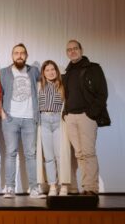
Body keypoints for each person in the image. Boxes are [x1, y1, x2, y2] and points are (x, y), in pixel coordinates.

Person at [63, 39, 109, 196]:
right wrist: (65, 114)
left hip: (86, 116)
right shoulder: (67, 72)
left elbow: (102, 93)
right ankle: (86, 186)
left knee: (88, 153)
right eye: (69, 49)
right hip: (71, 117)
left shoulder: (93, 68)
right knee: (79, 154)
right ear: (67, 53)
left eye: (75, 48)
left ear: (81, 50)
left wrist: (92, 113)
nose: (72, 51)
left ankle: (92, 188)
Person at [0, 44, 44, 198]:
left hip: (30, 119)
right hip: (10, 118)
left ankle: (34, 188)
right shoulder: (3, 73)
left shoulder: (34, 71)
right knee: (11, 153)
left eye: (22, 53)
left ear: (26, 55)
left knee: (31, 154)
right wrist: (2, 113)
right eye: (16, 53)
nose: (19, 55)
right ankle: (10, 188)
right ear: (12, 55)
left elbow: (47, 83)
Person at [36, 60, 73, 197]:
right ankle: (52, 185)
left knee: (60, 155)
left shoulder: (63, 86)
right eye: (47, 70)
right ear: (43, 73)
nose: (50, 72)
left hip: (58, 120)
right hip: (44, 120)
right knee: (48, 156)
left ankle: (64, 185)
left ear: (57, 71)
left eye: (53, 69)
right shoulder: (39, 86)